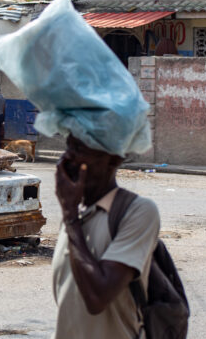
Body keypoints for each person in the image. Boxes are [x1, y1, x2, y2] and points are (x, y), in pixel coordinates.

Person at [52, 134, 160, 338]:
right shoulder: (75, 212)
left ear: (113, 158)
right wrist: (71, 215)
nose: (68, 157)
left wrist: (70, 217)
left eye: (80, 149)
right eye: (68, 147)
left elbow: (96, 298)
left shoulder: (138, 212)